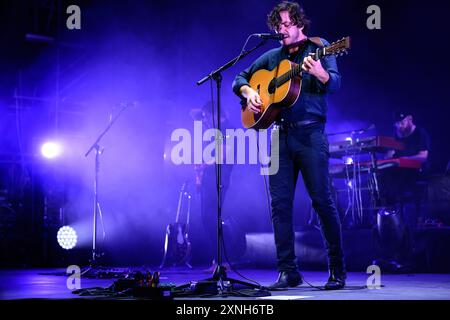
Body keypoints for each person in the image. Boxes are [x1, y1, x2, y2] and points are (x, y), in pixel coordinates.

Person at [232, 1, 346, 290]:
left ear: (299, 24)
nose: (280, 30)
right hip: (280, 136)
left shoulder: (322, 46)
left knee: (322, 201)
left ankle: (337, 269)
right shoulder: (272, 57)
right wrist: (249, 93)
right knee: (279, 205)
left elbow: (334, 83)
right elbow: (239, 78)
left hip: (311, 136)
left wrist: (320, 72)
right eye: (276, 26)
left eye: (285, 24)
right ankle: (288, 271)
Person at [190, 101, 234, 269]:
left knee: (210, 217)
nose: (205, 119)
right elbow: (192, 113)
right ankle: (218, 259)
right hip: (210, 177)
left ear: (216, 114)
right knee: (207, 218)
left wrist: (203, 164)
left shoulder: (226, 129)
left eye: (207, 116)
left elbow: (223, 155)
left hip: (219, 177)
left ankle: (221, 260)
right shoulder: (214, 130)